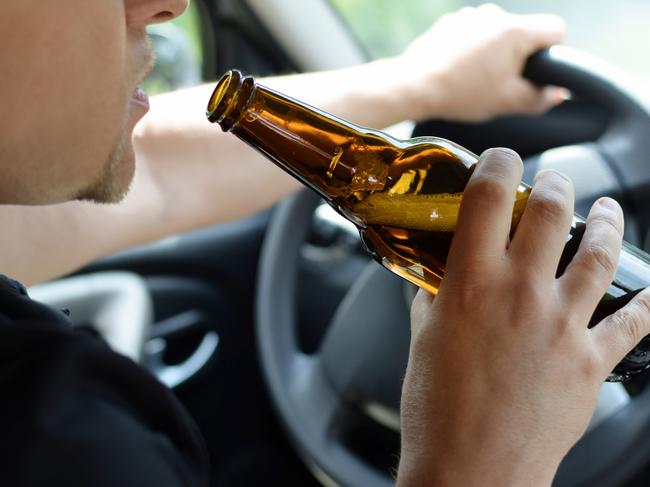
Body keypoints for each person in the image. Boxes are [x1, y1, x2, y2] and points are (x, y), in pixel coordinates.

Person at [1, 1, 649, 486]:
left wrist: (422, 81)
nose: (171, 3)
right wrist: (479, 456)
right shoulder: (61, 444)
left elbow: (162, 175)